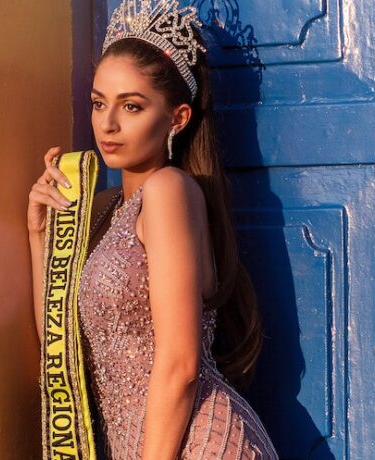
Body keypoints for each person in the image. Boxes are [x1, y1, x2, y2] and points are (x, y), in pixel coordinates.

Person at [27, 1, 278, 458]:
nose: (108, 124)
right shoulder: (104, 214)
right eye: (99, 103)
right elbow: (59, 350)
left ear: (178, 118)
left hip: (196, 444)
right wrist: (39, 235)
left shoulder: (167, 191)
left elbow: (181, 363)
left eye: (132, 106)